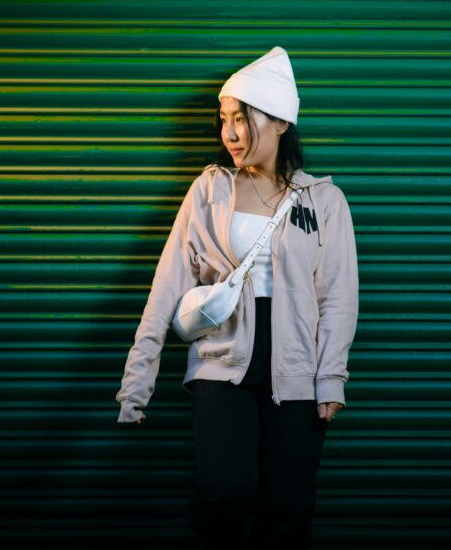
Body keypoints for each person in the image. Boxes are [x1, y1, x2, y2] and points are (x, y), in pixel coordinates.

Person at [115, 46, 360, 550]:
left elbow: (337, 294)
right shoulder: (208, 191)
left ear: (279, 123)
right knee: (225, 491)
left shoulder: (324, 200)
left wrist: (330, 376)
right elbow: (166, 286)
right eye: (223, 119)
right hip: (220, 364)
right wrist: (137, 383)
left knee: (289, 507)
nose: (229, 133)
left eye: (242, 119)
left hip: (296, 370)